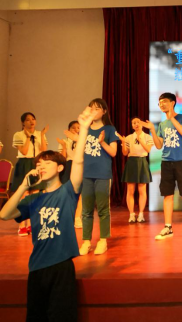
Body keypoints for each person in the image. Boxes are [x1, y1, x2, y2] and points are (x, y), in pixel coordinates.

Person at [0, 106, 94, 322]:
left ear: (60, 168)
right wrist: (23, 186)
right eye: (39, 164)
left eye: (47, 163)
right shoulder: (33, 199)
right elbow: (4, 214)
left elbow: (79, 161)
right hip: (36, 268)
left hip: (61, 266)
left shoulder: (68, 192)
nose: (41, 166)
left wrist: (84, 128)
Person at [143, 92, 182, 240]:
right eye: (160, 103)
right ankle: (168, 227)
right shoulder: (162, 124)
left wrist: (172, 118)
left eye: (164, 102)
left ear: (173, 103)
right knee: (168, 195)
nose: (161, 104)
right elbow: (159, 145)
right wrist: (153, 130)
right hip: (166, 162)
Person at [80, 98, 119, 256]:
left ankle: (103, 240)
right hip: (86, 174)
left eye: (97, 109)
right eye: (91, 108)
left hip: (102, 174)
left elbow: (113, 152)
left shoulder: (109, 129)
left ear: (104, 111)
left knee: (103, 209)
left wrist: (102, 142)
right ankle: (86, 241)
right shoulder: (85, 129)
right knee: (86, 210)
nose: (94, 111)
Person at [12, 112, 49, 236]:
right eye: (28, 120)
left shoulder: (39, 134)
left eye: (33, 119)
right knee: (23, 195)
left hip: (36, 163)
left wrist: (42, 135)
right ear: (23, 123)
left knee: (35, 195)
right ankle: (22, 226)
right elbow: (24, 151)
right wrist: (28, 137)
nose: (31, 121)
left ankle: (31, 224)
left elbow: (44, 151)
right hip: (24, 164)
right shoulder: (18, 134)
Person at [116, 116, 154, 224]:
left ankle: (141, 214)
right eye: (134, 123)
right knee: (130, 190)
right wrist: (123, 142)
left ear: (141, 124)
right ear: (132, 126)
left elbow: (148, 149)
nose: (136, 124)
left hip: (142, 162)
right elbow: (125, 153)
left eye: (138, 122)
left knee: (142, 190)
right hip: (131, 162)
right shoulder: (128, 137)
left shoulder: (147, 137)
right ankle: (131, 214)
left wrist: (140, 140)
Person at [57, 120, 83, 229]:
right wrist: (64, 146)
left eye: (78, 127)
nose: (76, 130)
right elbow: (62, 158)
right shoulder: (64, 141)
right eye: (73, 128)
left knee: (80, 193)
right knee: (67, 192)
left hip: (80, 165)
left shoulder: (82, 140)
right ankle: (66, 217)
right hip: (68, 166)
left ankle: (77, 218)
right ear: (69, 130)